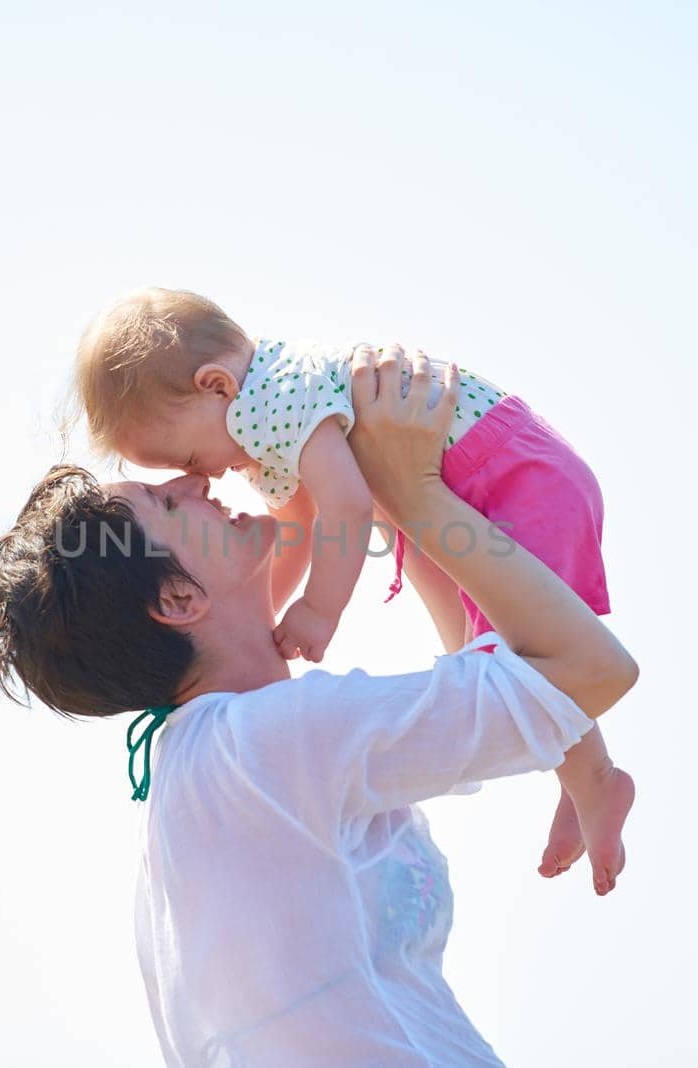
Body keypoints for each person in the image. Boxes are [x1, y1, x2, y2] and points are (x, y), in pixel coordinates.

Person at [0, 347, 639, 1065]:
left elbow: (496, 671)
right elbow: (589, 670)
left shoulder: (225, 760)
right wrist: (417, 493)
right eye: (161, 503)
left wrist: (394, 497)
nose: (190, 480)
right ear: (178, 600)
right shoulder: (255, 746)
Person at [71, 287, 631, 891]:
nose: (199, 477)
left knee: (519, 658)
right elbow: (294, 527)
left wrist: (318, 610)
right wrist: (272, 613)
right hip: (474, 482)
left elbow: (346, 507)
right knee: (486, 658)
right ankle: (580, 774)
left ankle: (594, 779)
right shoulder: (258, 420)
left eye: (185, 455)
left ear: (216, 386)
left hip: (510, 476)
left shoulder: (275, 403)